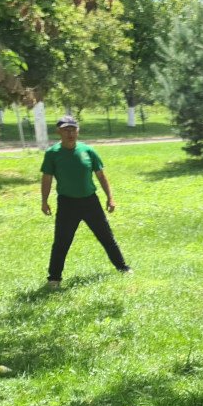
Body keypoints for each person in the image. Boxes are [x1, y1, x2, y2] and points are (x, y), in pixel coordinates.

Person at [40, 115, 130, 287]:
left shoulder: (88, 151)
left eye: (73, 130)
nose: (70, 133)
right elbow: (47, 179)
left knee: (106, 237)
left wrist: (110, 198)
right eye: (66, 130)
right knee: (62, 242)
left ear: (78, 131)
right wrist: (44, 201)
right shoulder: (52, 154)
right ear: (59, 132)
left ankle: (123, 267)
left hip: (90, 202)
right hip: (67, 204)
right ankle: (54, 278)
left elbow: (101, 176)